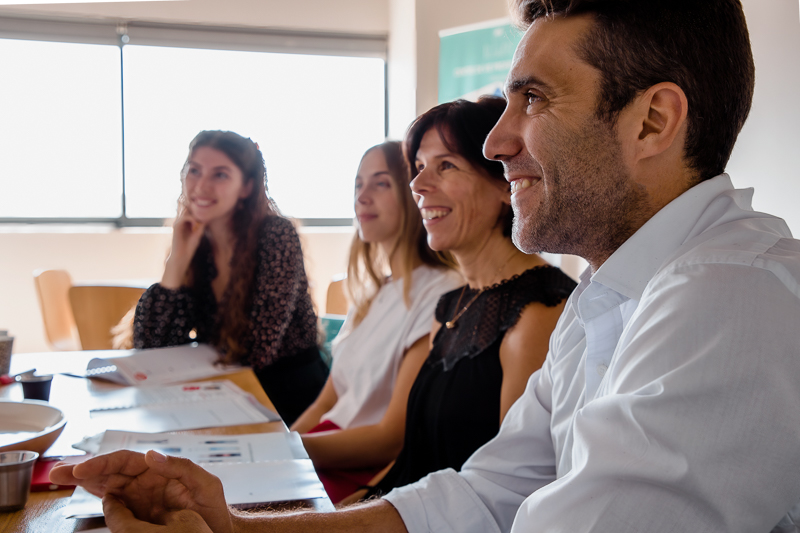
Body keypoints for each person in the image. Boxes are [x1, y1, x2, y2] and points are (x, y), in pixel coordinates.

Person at [51, 0, 800, 531]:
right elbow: (482, 497)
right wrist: (235, 527)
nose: (497, 142)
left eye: (534, 99)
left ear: (653, 121)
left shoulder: (729, 296)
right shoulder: (608, 295)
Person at [361, 97, 575, 499]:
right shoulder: (451, 304)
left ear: (505, 183)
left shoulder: (537, 311)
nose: (417, 185)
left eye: (446, 166)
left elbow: (512, 490)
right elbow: (413, 458)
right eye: (420, 166)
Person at [291, 141, 463, 502]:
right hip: (323, 447)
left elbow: (390, 439)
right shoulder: (374, 291)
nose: (362, 197)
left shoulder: (442, 293)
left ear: (414, 193)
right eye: (358, 184)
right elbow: (325, 402)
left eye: (381, 183)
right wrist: (283, 445)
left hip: (362, 466)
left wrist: (291, 451)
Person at [133, 130, 327, 427]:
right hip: (223, 392)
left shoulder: (276, 235)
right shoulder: (196, 240)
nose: (201, 185)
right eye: (194, 170)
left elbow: (256, 352)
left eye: (220, 175)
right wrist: (176, 261)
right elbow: (152, 348)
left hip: (286, 399)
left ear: (246, 187)